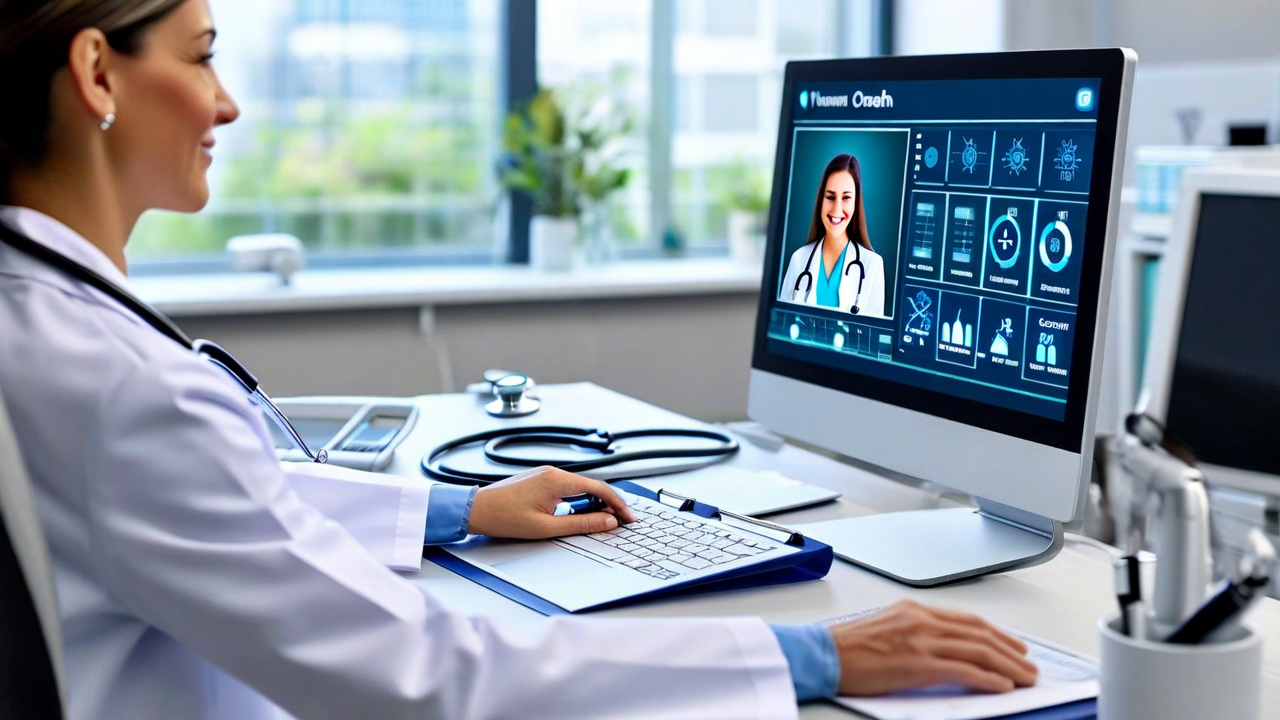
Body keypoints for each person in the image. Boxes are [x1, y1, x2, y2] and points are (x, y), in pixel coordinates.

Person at [0, 2, 1037, 718]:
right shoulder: (123, 389)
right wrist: (809, 654)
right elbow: (427, 677)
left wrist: (457, 513)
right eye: (201, 55)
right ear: (97, 71)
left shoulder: (45, 329)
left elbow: (220, 501)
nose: (225, 103)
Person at [780, 153, 888, 318]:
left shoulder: (872, 265)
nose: (837, 209)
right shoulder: (799, 259)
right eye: (830, 197)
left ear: (856, 202)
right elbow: (783, 323)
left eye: (846, 198)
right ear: (821, 200)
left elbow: (872, 339)